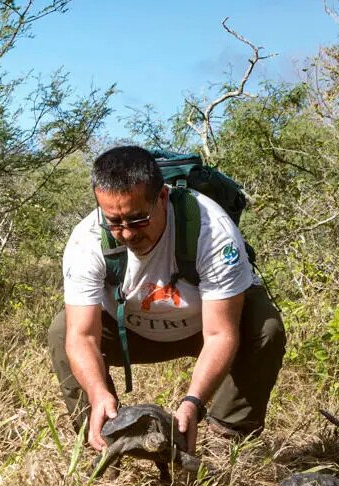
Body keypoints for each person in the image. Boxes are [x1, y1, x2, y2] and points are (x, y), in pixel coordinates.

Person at [50, 144, 286, 454]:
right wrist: (97, 393)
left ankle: (227, 441)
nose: (127, 234)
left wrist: (192, 403)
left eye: (137, 220)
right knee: (62, 331)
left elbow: (220, 334)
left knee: (264, 327)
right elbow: (82, 336)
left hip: (202, 329)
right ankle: (101, 437)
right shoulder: (87, 240)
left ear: (162, 197)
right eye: (114, 223)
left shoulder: (211, 230)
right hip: (131, 332)